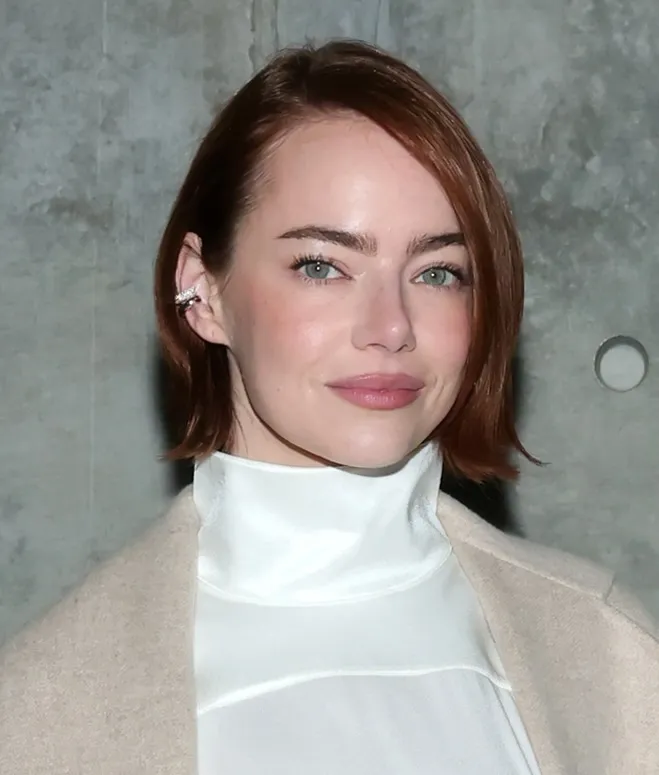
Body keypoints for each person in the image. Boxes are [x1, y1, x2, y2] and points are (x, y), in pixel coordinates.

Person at [1, 39, 658, 775]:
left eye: (438, 272)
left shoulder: (606, 649)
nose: (391, 327)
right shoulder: (46, 711)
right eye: (322, 266)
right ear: (203, 291)